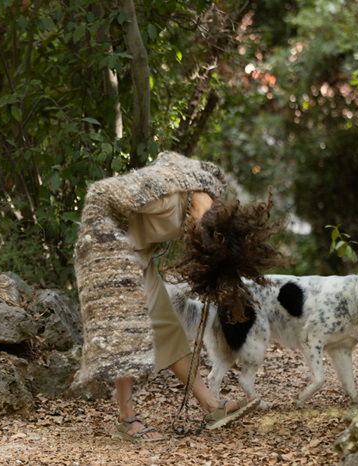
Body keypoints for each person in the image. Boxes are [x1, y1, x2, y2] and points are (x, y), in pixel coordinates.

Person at [73, 151, 260, 442]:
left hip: (138, 256)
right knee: (128, 337)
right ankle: (127, 419)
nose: (194, 238)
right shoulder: (167, 200)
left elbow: (169, 160)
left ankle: (212, 406)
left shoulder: (201, 203)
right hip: (109, 255)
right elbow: (101, 193)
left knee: (168, 330)